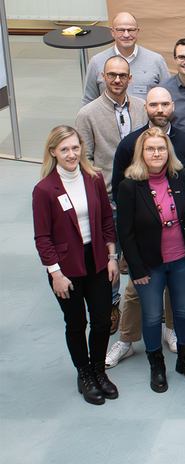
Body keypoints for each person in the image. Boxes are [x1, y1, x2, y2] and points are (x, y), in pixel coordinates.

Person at [106, 87, 185, 368]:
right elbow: (125, 227)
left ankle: (184, 356)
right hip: (147, 261)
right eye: (150, 149)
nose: (156, 153)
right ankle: (151, 361)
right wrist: (134, 265)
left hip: (181, 259)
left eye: (161, 148)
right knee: (148, 313)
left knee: (183, 310)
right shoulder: (129, 177)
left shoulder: (182, 172)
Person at [33, 126, 119, 405]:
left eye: (75, 147)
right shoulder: (44, 189)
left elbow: (106, 220)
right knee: (76, 322)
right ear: (53, 153)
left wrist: (111, 257)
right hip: (65, 267)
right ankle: (84, 373)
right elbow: (42, 237)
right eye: (64, 149)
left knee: (102, 320)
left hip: (97, 259)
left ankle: (98, 370)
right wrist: (55, 274)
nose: (71, 154)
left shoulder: (94, 178)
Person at [76, 55, 148, 198]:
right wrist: (99, 195)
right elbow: (84, 159)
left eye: (122, 76)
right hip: (108, 194)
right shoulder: (87, 114)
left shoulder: (142, 107)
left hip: (142, 189)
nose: (117, 80)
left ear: (129, 78)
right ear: (103, 76)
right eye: (112, 75)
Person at [83, 12, 170, 105]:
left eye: (131, 30)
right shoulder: (97, 62)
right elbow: (89, 100)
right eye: (120, 30)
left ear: (137, 31)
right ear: (112, 32)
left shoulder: (156, 61)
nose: (126, 35)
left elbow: (168, 96)